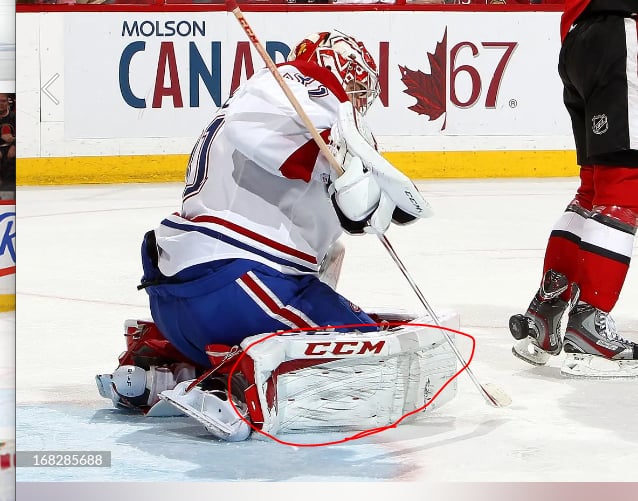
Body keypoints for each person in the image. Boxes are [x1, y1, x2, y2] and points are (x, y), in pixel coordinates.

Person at [97, 31, 450, 440]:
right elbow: (265, 132)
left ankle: (163, 366)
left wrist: (364, 195)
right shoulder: (297, 82)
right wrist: (335, 162)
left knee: (328, 260)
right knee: (366, 354)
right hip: (239, 283)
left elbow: (341, 213)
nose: (355, 97)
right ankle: (234, 387)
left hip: (180, 300)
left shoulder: (289, 109)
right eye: (353, 83)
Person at [509, 0, 638, 378]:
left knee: (594, 189)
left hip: (579, 40)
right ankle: (589, 325)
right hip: (617, 32)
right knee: (623, 186)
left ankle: (547, 311)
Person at [0, 94, 15, 192]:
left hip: (11, 148)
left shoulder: (14, 117)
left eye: (3, 101)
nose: (1, 104)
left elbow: (26, 136)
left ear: (8, 102)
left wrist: (14, 144)